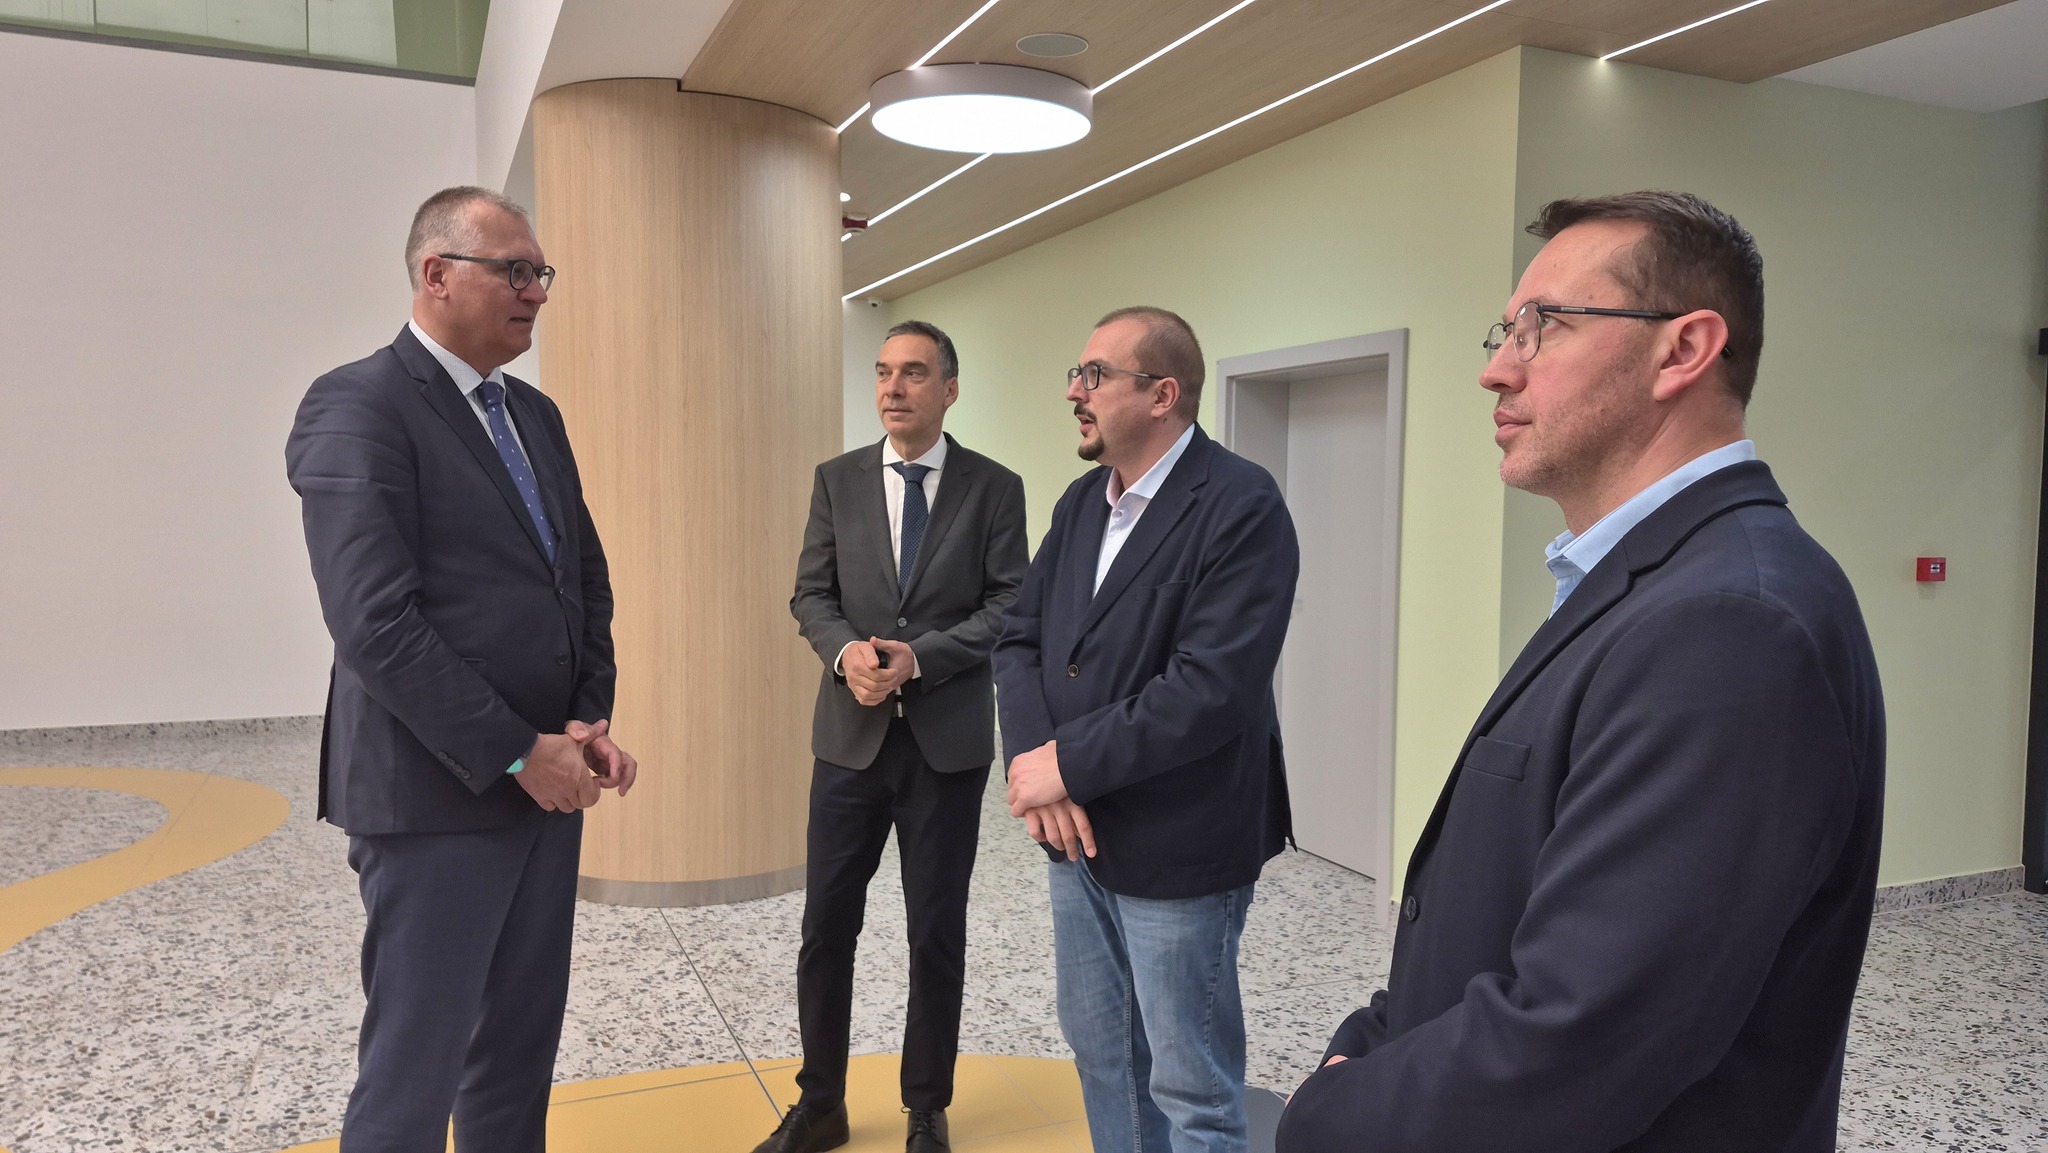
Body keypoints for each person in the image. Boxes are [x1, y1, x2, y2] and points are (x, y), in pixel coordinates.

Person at [1277, 191, 1885, 1152]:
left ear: (1684, 350)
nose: (1496, 368)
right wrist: (1375, 1038)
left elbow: (1587, 1041)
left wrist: (1327, 1116)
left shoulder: (1731, 624)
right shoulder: (1652, 583)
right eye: (1505, 331)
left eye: (1543, 325)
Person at [286, 185, 637, 1152]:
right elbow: (374, 622)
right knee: (416, 1068)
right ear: (437, 274)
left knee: (517, 1059)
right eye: (514, 270)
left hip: (546, 790)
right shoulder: (358, 405)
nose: (537, 291)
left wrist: (583, 721)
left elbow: (581, 578)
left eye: (541, 272)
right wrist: (519, 750)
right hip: (434, 798)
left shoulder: (534, 415)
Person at [993, 306, 1300, 1153]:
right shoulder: (1080, 504)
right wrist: (1038, 767)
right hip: (1075, 835)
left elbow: (1212, 688)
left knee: (1189, 1084)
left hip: (1180, 842)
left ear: (1163, 395)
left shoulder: (1240, 503)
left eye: (1094, 375)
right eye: (1076, 373)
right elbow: (1020, 640)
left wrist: (1067, 765)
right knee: (1105, 1057)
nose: (1074, 391)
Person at [766, 321, 1029, 1153]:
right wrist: (847, 652)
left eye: (913, 373)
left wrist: (921, 657)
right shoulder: (836, 480)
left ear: (949, 389)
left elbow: (1009, 604)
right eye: (883, 371)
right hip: (849, 740)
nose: (893, 387)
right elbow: (810, 594)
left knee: (935, 932)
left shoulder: (995, 488)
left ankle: (926, 1105)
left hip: (945, 748)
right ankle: (821, 1103)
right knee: (826, 928)